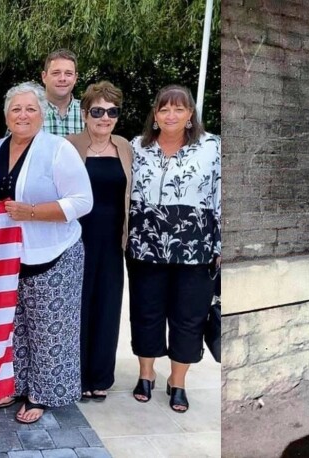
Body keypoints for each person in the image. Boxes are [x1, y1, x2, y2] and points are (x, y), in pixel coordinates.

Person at [0, 82, 93, 424]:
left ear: (42, 115)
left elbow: (82, 201)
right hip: (9, 256)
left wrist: (30, 211)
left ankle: (42, 394)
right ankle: (16, 384)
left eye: (30, 108)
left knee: (50, 328)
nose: (23, 115)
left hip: (55, 253)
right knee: (14, 326)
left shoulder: (58, 149)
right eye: (16, 109)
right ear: (6, 116)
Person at [126, 84, 221, 414]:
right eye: (164, 109)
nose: (171, 115)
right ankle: (146, 373)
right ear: (155, 114)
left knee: (188, 317)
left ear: (190, 114)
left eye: (179, 109)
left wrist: (222, 244)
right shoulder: (137, 148)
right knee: (146, 311)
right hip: (144, 245)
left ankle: (178, 382)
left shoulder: (212, 147)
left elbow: (221, 196)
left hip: (196, 246)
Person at [65, 81, 131, 401]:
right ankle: (76, 375)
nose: (105, 118)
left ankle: (100, 376)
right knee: (78, 308)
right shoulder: (69, 146)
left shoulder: (125, 147)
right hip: (76, 241)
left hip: (112, 242)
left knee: (107, 307)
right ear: (84, 113)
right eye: (98, 111)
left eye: (112, 111)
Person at [40, 48, 83, 136]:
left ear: (75, 78)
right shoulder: (27, 112)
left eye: (68, 74)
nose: (62, 79)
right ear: (44, 77)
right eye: (56, 73)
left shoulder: (89, 113)